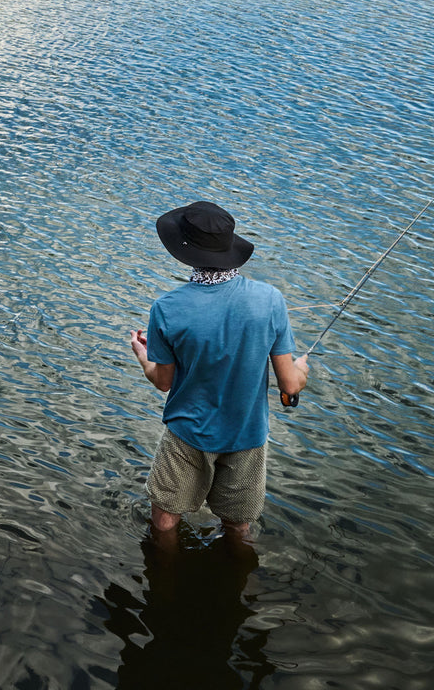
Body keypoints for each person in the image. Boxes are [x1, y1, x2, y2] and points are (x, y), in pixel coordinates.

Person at [130, 200, 308, 539]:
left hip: (188, 435)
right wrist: (302, 369)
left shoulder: (166, 309)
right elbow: (290, 384)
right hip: (247, 436)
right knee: (238, 526)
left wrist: (142, 354)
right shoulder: (271, 299)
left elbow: (163, 382)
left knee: (165, 521)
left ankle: (165, 581)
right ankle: (237, 580)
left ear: (184, 251)